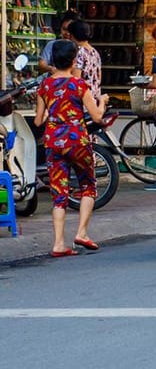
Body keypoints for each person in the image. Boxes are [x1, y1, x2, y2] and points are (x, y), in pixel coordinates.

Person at [34, 39, 107, 257]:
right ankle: (82, 233)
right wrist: (102, 101)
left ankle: (58, 244)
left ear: (52, 60)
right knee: (88, 185)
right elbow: (96, 116)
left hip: (53, 142)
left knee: (59, 193)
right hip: (78, 142)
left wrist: (50, 113)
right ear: (74, 60)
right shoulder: (79, 85)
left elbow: (38, 121)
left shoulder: (44, 87)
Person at [67, 19, 101, 99]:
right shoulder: (95, 52)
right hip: (94, 98)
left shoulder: (79, 53)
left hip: (82, 100)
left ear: (73, 35)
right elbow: (99, 76)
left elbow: (76, 79)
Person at [38, 9, 79, 74]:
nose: (67, 33)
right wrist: (50, 68)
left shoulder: (80, 47)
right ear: (60, 28)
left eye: (70, 30)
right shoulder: (52, 44)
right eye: (64, 29)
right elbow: (41, 65)